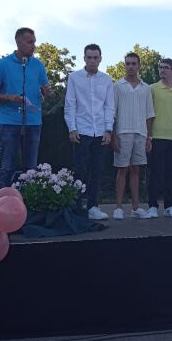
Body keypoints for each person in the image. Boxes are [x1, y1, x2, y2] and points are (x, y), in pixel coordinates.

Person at [0, 27, 54, 187]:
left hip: (33, 122)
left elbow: (48, 95)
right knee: (7, 166)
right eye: (30, 42)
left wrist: (48, 93)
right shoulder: (3, 64)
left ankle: (28, 200)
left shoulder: (38, 65)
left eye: (34, 42)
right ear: (18, 42)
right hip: (10, 122)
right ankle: (3, 199)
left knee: (31, 168)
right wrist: (7, 97)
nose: (34, 46)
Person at [64, 44, 114, 221]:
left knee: (97, 171)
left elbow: (109, 107)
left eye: (95, 58)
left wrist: (108, 130)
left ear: (100, 59)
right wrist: (72, 128)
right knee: (79, 170)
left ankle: (93, 206)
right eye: (89, 57)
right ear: (84, 58)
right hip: (81, 130)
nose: (92, 61)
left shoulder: (106, 80)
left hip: (100, 131)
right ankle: (76, 207)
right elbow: (70, 105)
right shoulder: (74, 77)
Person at [112, 53, 155, 219]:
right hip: (122, 132)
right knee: (122, 170)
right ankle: (118, 208)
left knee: (136, 170)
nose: (130, 66)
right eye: (127, 63)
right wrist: (113, 135)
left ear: (139, 66)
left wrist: (149, 137)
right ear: (124, 65)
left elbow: (149, 114)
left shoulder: (146, 88)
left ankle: (136, 208)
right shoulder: (117, 86)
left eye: (133, 63)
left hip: (141, 133)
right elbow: (113, 113)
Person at [146, 59, 172, 218]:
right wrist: (149, 136)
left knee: (171, 173)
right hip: (157, 136)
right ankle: (152, 206)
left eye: (166, 68)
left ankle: (169, 206)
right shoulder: (152, 88)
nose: (162, 70)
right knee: (155, 172)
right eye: (160, 67)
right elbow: (148, 114)